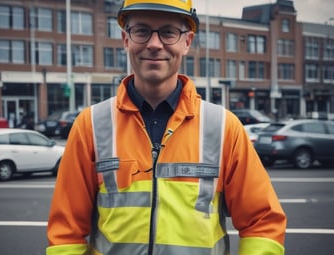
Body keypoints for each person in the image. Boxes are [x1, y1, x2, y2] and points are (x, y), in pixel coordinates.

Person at [46, 0, 287, 254]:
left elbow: (263, 222)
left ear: (187, 42)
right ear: (126, 39)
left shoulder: (224, 127)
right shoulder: (90, 125)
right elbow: (66, 231)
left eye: (168, 32)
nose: (154, 43)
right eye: (141, 30)